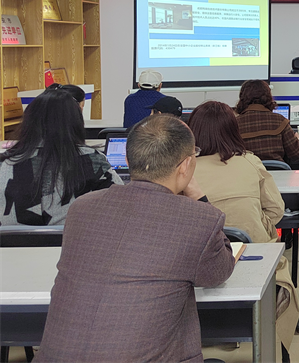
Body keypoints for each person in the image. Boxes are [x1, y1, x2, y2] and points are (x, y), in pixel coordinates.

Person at [35, 114, 235, 363]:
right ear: (185, 165)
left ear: (128, 160)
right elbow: (219, 271)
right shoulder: (199, 218)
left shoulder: (82, 208)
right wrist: (199, 198)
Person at [188, 101, 299, 357]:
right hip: (254, 263)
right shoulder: (249, 161)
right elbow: (277, 210)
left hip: (199, 272)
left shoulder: (184, 170)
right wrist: (257, 224)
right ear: (233, 129)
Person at [0, 89, 121, 226]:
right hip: (73, 238)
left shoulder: (4, 163)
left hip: (10, 239)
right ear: (76, 122)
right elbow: (122, 201)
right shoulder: (92, 159)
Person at [234, 79, 299, 167]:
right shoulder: (280, 120)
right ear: (268, 97)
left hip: (248, 173)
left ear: (242, 99)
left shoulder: (234, 124)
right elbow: (297, 153)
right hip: (278, 173)